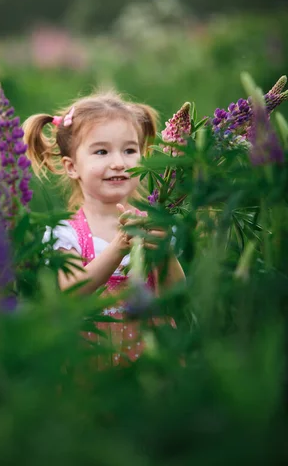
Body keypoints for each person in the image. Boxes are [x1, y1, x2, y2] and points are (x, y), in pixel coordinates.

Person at [23, 90, 185, 365]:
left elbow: (178, 294)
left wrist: (163, 250)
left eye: (130, 150)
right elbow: (71, 291)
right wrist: (119, 246)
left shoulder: (154, 221)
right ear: (72, 166)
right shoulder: (66, 232)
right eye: (101, 151)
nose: (118, 162)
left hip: (152, 353)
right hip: (94, 358)